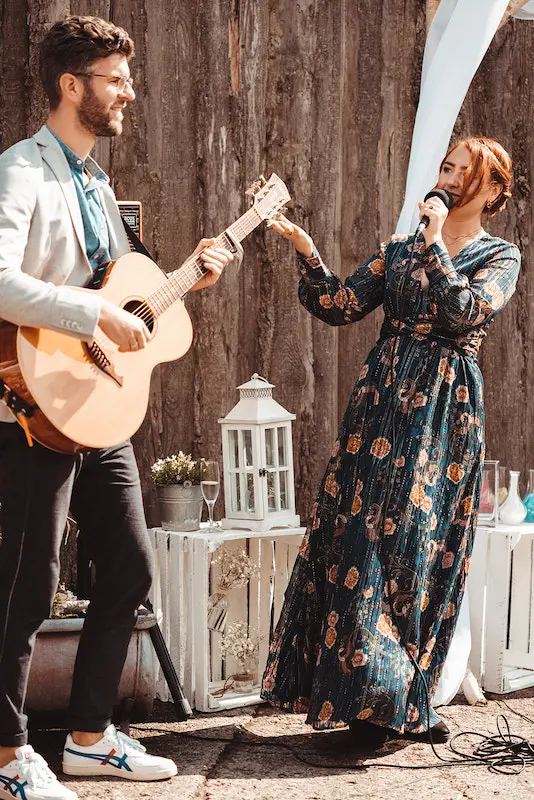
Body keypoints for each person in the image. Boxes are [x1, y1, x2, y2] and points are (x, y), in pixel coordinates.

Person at [0, 15, 237, 800]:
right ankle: (8, 757)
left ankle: (89, 737)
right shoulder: (21, 172)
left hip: (97, 410)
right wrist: (95, 314)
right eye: (116, 79)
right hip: (30, 406)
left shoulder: (98, 184)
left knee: (130, 567)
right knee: (25, 589)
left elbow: (123, 294)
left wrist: (186, 278)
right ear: (71, 86)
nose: (130, 91)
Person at [261, 137, 520, 747]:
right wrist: (306, 250)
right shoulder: (399, 250)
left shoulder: (500, 256)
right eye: (446, 167)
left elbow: (465, 312)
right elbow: (339, 304)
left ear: (493, 191)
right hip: (379, 410)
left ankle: (397, 699)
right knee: (359, 540)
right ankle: (364, 705)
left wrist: (435, 243)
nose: (448, 178)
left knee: (417, 549)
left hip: (443, 416)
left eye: (464, 172)